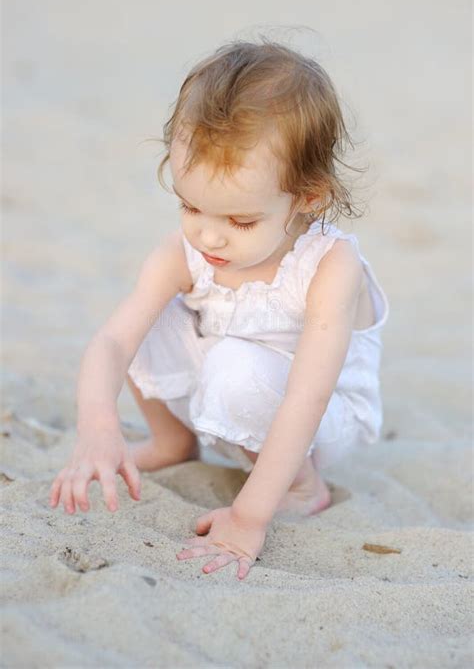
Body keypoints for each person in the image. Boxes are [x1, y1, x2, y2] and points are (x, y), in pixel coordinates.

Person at [49, 39, 389, 581]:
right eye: (190, 205)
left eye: (240, 221)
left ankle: (303, 485)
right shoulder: (186, 252)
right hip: (227, 381)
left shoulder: (330, 266)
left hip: (320, 416)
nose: (208, 234)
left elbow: (309, 393)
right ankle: (172, 441)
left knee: (235, 366)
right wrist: (97, 424)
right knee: (151, 316)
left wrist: (249, 518)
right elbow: (113, 342)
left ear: (307, 197)